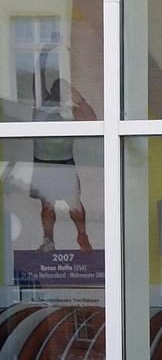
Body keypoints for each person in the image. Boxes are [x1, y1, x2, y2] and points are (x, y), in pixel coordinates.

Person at [30, 39, 95, 254]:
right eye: (58, 87)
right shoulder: (41, 104)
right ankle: (48, 241)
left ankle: (82, 237)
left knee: (75, 205)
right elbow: (38, 75)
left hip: (65, 163)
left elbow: (93, 122)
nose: (61, 91)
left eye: (65, 88)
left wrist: (79, 99)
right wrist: (46, 50)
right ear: (51, 90)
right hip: (43, 163)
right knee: (47, 206)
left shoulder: (71, 111)